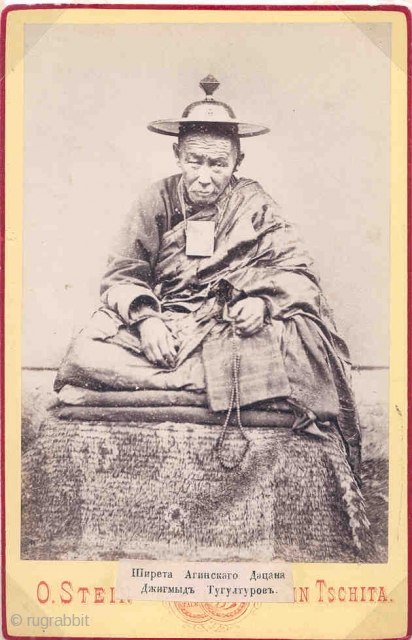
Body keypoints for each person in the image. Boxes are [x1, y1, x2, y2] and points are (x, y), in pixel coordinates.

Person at [54, 74, 362, 480]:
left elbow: (298, 271)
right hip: (166, 322)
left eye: (218, 164)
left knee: (302, 342)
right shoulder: (156, 199)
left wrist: (263, 303)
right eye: (195, 161)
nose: (204, 176)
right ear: (177, 154)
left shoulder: (255, 203)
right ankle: (221, 385)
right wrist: (146, 320)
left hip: (226, 325)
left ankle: (176, 384)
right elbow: (122, 273)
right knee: (86, 352)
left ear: (237, 162)